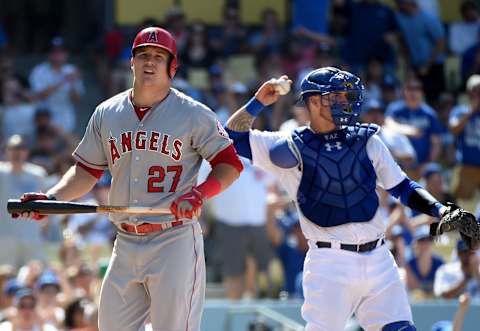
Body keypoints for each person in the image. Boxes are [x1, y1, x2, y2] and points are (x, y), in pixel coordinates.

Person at [12, 27, 243, 331]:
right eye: (143, 55)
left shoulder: (193, 113)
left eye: (159, 57)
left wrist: (200, 193)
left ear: (172, 67)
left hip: (173, 238)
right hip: (125, 240)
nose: (150, 62)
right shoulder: (107, 112)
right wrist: (52, 198)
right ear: (131, 62)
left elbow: (229, 164)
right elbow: (86, 172)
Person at [224, 66, 473, 330]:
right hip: (329, 263)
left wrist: (441, 210)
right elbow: (232, 137)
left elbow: (403, 187)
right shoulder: (289, 145)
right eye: (337, 96)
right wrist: (259, 102)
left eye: (346, 95)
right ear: (315, 101)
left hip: (378, 255)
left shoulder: (366, 140)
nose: (346, 101)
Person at [29, 37, 84, 133]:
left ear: (66, 54)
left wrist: (73, 83)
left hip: (66, 117)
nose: (57, 55)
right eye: (54, 52)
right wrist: (64, 80)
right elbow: (41, 95)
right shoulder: (39, 71)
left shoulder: (71, 70)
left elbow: (76, 99)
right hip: (44, 117)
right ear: (49, 54)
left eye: (61, 52)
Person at [449, 74, 480, 212]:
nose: (477, 94)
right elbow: (454, 129)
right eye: (474, 90)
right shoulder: (460, 110)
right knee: (466, 210)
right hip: (467, 168)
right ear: (469, 92)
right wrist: (471, 112)